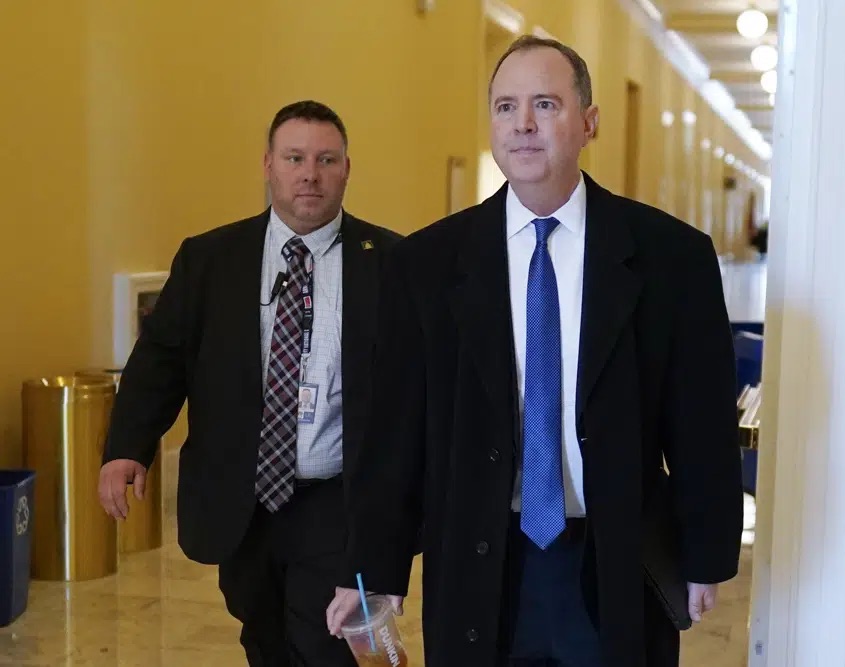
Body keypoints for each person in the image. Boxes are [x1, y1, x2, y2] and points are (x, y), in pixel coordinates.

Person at [327, 35, 744, 667]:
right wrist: (371, 570)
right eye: (505, 107)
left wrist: (705, 555)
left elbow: (701, 423)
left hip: (616, 558)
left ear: (589, 123)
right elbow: (393, 432)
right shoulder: (427, 264)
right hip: (479, 557)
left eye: (545, 104)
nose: (522, 124)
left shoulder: (671, 258)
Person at [98, 100, 402, 666]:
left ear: (346, 168)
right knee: (261, 633)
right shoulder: (211, 259)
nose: (309, 173)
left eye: (325, 159)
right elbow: (162, 359)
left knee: (324, 640)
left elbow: (415, 393)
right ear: (268, 165)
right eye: (294, 158)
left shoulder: (390, 262)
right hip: (244, 496)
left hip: (335, 498)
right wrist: (126, 450)